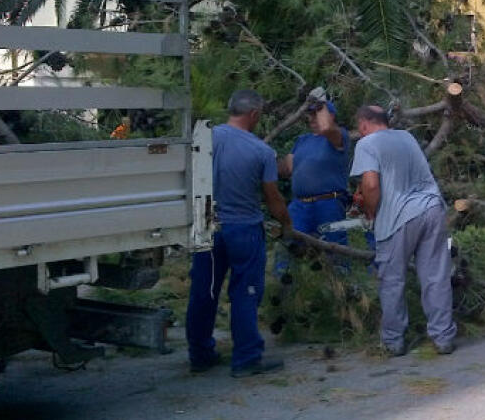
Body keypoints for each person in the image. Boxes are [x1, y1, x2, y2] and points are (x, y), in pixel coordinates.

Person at [186, 89, 292, 378]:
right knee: (246, 292)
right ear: (254, 114)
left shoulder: (205, 138)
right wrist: (286, 224)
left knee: (203, 291)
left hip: (206, 227)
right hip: (243, 230)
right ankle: (246, 359)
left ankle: (200, 355)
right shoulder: (261, 151)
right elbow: (273, 198)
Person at [350, 105, 455, 356]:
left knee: (392, 281)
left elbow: (371, 184)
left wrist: (370, 211)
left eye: (358, 127)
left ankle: (393, 341)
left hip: (398, 217)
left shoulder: (367, 143)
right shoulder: (406, 136)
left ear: (364, 123)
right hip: (432, 207)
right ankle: (443, 338)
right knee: (436, 277)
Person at [275, 94, 353, 275]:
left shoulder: (338, 136)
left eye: (316, 113)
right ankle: (282, 294)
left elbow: (326, 128)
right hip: (299, 205)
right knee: (288, 248)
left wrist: (321, 101)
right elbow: (286, 168)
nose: (311, 118)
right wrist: (265, 157)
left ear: (330, 116)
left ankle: (344, 294)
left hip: (329, 203)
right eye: (309, 114)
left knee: (335, 251)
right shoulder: (302, 140)